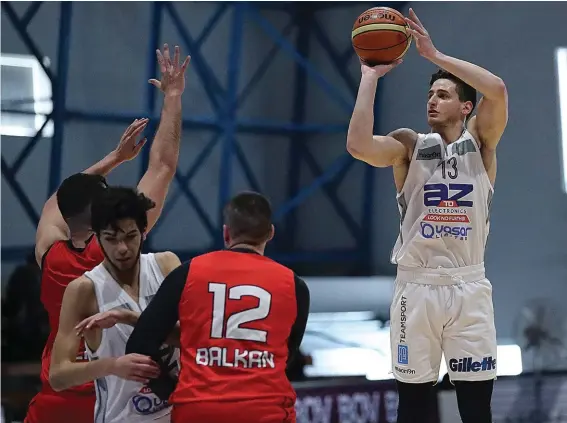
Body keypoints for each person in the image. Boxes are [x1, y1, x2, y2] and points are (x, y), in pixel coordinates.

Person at [346, 8, 508, 423]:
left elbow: (498, 89)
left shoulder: (482, 145)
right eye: (429, 95)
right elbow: (358, 145)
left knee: (476, 407)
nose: (432, 101)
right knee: (414, 406)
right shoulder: (408, 145)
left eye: (443, 95)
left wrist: (433, 55)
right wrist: (369, 76)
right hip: (416, 288)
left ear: (466, 106)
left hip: (469, 285)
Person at [25, 44, 190, 423]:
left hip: (58, 399)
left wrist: (113, 159)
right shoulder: (125, 239)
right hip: (123, 400)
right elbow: (163, 165)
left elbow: (60, 198)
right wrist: (174, 96)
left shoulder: (49, 254)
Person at [126, 191, 311, 423]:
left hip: (198, 409)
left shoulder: (188, 273)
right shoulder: (295, 286)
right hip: (265, 410)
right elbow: (288, 356)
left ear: (226, 233)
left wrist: (170, 389)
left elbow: (139, 344)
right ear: (270, 233)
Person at [49, 187, 182, 423]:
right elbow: (58, 376)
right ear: (97, 237)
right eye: (111, 238)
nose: (122, 248)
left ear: (144, 233)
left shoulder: (166, 265)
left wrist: (129, 317)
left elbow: (192, 337)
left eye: (130, 236)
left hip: (177, 414)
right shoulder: (84, 290)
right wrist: (112, 366)